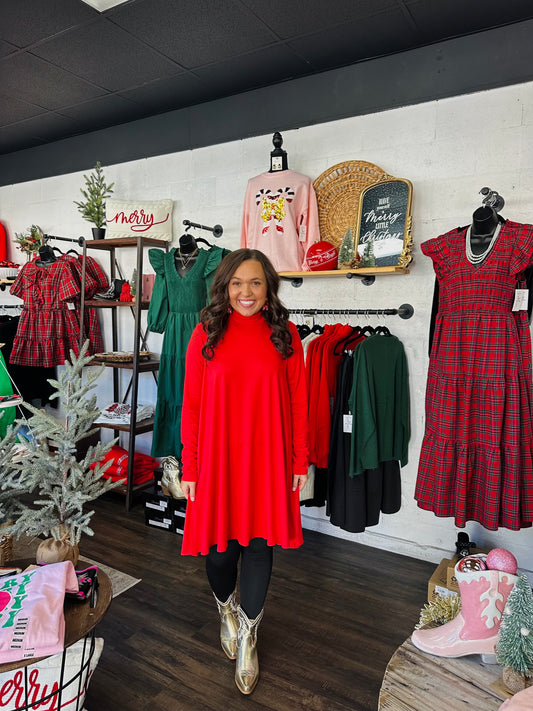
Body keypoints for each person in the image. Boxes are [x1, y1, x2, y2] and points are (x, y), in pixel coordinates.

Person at [180, 248, 309, 695]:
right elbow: (192, 405)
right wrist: (190, 464)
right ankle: (225, 607)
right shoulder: (205, 334)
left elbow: (298, 403)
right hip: (216, 460)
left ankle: (250, 636)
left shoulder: (286, 335)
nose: (246, 292)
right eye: (237, 283)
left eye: (255, 283)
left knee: (257, 546)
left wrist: (300, 460)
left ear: (268, 287)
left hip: (268, 459)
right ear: (225, 287)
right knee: (219, 553)